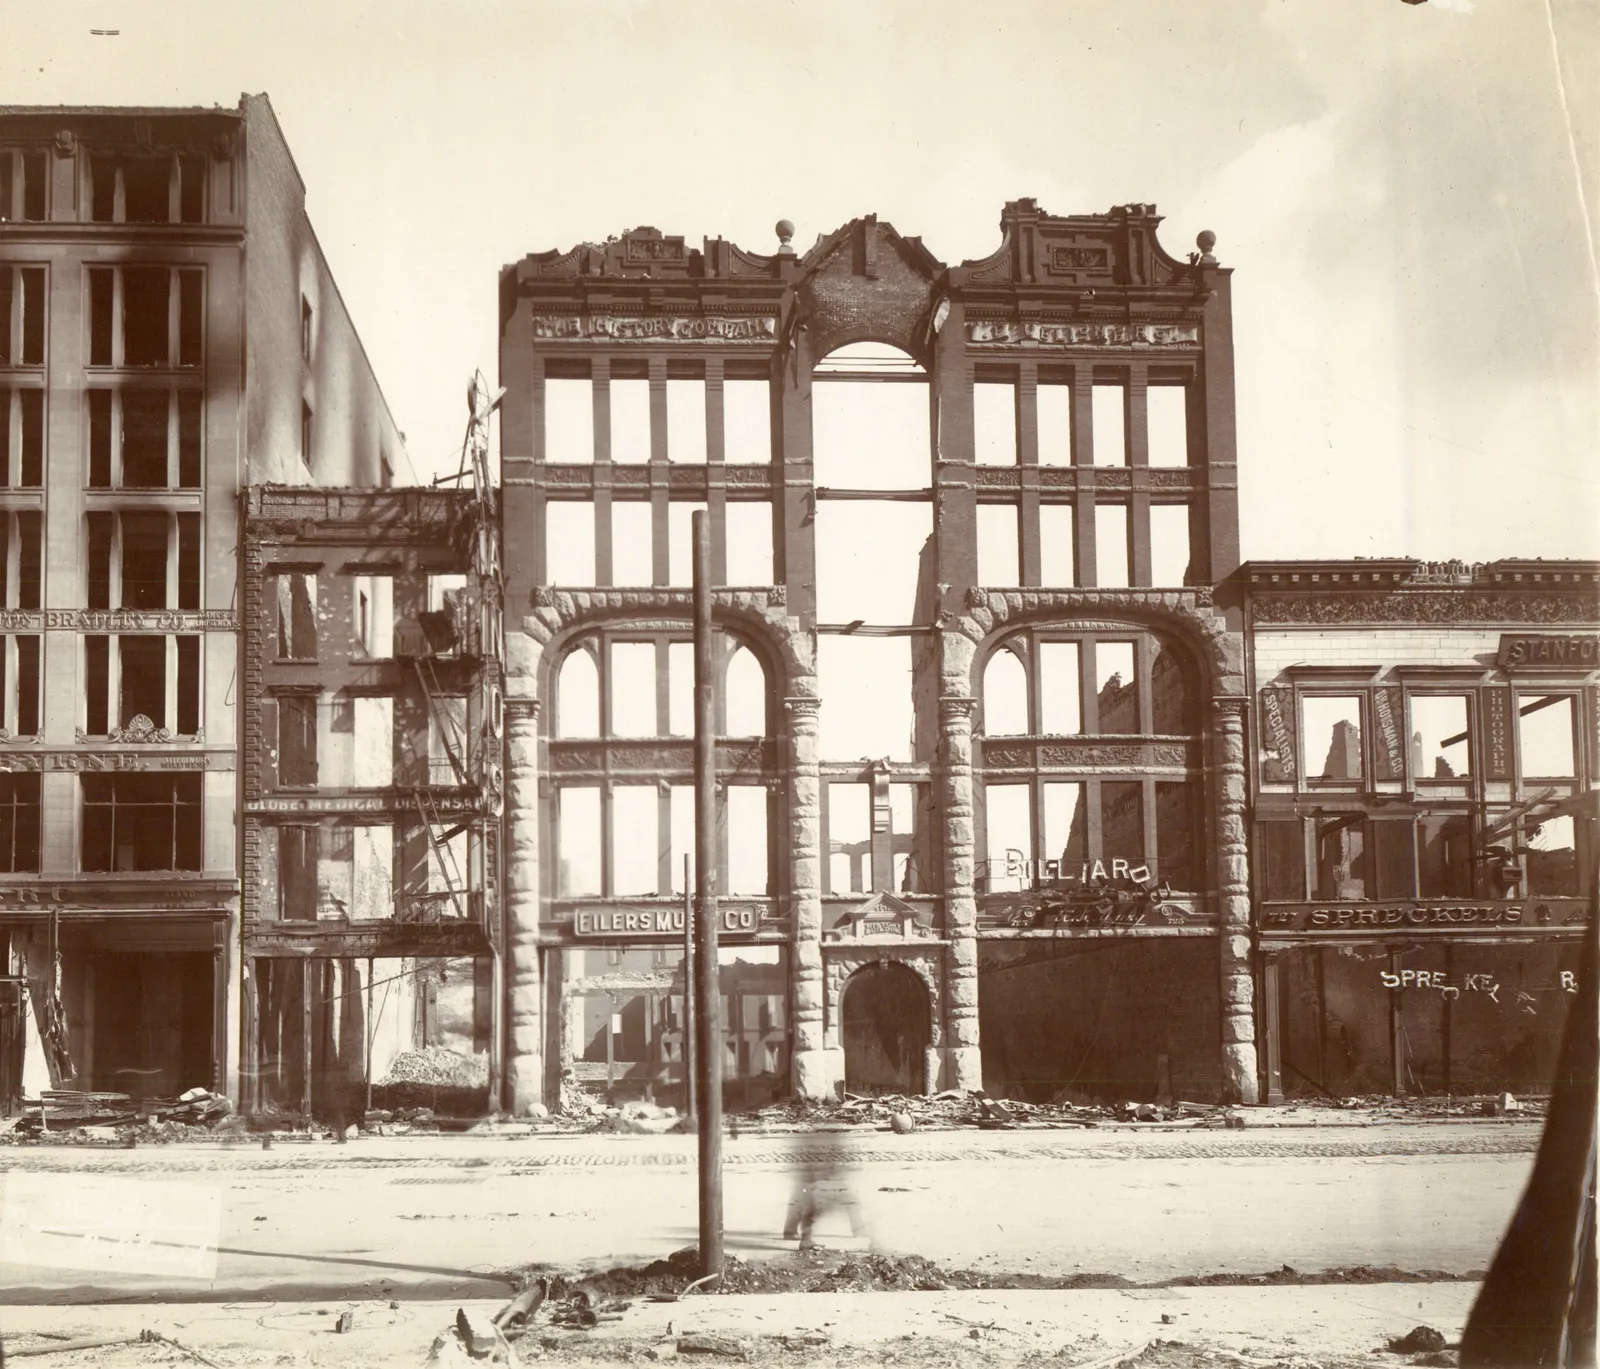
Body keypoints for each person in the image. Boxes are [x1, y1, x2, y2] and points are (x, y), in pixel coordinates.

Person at [782, 1147, 867, 1248]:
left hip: (820, 1170)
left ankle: (792, 1232)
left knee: (802, 1197)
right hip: (816, 1172)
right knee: (808, 1201)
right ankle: (801, 1237)